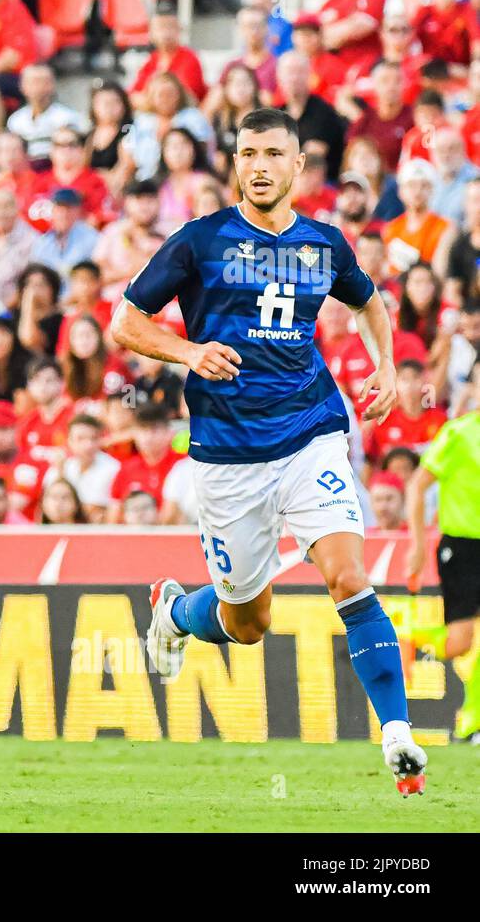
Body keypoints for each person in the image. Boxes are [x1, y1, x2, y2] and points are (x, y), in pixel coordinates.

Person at [111, 107, 427, 795]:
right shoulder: (199, 241)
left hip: (312, 432)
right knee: (248, 623)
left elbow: (370, 302)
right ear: (235, 164)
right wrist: (190, 351)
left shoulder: (325, 244)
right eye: (246, 153)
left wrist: (387, 367)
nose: (258, 165)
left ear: (296, 167)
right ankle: (174, 613)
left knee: (347, 575)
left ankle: (397, 733)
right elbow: (125, 321)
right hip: (226, 456)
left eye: (272, 154)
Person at [406, 398, 480, 743]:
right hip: (463, 547)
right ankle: (409, 636)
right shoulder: (457, 433)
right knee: (458, 644)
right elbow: (417, 486)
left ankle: (471, 722)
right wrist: (418, 544)